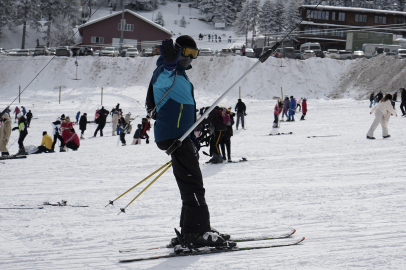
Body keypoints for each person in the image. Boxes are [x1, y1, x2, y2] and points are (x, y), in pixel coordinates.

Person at [145, 36, 230, 248]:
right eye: (187, 53)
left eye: (195, 54)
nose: (190, 58)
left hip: (181, 135)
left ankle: (192, 228)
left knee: (190, 183)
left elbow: (184, 110)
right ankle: (196, 232)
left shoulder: (180, 75)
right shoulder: (166, 73)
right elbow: (161, 83)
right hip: (174, 136)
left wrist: (192, 134)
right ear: (175, 52)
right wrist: (169, 65)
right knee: (193, 184)